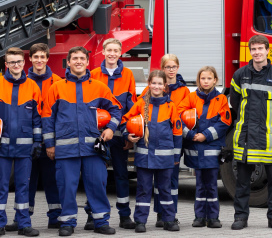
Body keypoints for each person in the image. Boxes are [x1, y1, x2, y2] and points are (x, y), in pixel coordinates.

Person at [42, 46, 122, 236]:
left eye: (82, 58)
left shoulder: (99, 87)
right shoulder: (57, 88)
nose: (78, 61)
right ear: (68, 62)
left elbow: (116, 110)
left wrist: (111, 128)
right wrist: (50, 145)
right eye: (74, 58)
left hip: (93, 149)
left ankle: (101, 221)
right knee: (66, 187)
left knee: (97, 185)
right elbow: (47, 118)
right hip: (65, 149)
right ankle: (67, 222)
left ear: (87, 62)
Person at [0, 47, 42, 238]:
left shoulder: (33, 87)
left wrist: (38, 142)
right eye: (12, 62)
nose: (16, 65)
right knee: (1, 187)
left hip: (25, 148)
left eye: (19, 61)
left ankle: (24, 224)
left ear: (24, 63)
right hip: (0, 146)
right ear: (6, 64)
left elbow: (38, 119)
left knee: (23, 187)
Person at [229, 35, 272, 231]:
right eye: (253, 49)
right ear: (251, 51)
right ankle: (240, 217)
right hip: (245, 137)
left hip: (269, 139)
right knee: (241, 182)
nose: (257, 52)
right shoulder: (240, 75)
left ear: (267, 50)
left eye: (260, 49)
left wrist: (268, 122)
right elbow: (235, 103)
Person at [4, 43, 63, 232]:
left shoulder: (57, 81)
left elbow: (59, 112)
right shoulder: (22, 79)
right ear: (30, 59)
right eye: (35, 57)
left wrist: (52, 141)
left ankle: (55, 217)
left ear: (47, 58)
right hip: (25, 139)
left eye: (42, 57)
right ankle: (21, 218)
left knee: (52, 180)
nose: (39, 60)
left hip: (50, 139)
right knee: (26, 181)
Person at [84, 38, 137, 230]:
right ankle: (91, 215)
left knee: (122, 175)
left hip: (119, 134)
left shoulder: (128, 74)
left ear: (120, 53)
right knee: (95, 176)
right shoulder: (94, 74)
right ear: (103, 52)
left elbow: (131, 106)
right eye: (109, 50)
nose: (112, 54)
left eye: (116, 50)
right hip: (98, 134)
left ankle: (124, 215)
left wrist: (128, 133)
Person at [123, 70, 183, 233]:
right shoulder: (141, 104)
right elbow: (126, 121)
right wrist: (127, 135)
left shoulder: (171, 107)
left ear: (165, 86)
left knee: (165, 190)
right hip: (144, 158)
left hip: (165, 160)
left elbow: (177, 134)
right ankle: (140, 221)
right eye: (153, 83)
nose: (156, 86)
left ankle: (169, 220)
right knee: (143, 190)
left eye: (159, 84)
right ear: (149, 84)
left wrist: (176, 156)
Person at [139, 54, 189, 226]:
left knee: (169, 184)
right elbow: (137, 114)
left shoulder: (183, 91)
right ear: (162, 68)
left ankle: (169, 215)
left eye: (173, 66)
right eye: (167, 67)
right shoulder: (149, 93)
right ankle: (160, 215)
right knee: (152, 186)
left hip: (169, 145)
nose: (171, 70)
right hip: (151, 147)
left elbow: (182, 115)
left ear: (178, 67)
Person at [178, 66, 231, 229]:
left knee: (212, 185)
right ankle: (199, 217)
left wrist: (204, 135)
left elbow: (224, 122)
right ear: (198, 80)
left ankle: (213, 217)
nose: (206, 81)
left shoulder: (221, 99)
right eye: (203, 78)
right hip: (196, 149)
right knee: (200, 185)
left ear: (215, 80)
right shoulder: (191, 97)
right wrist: (190, 134)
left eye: (209, 78)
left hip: (212, 150)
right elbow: (179, 117)